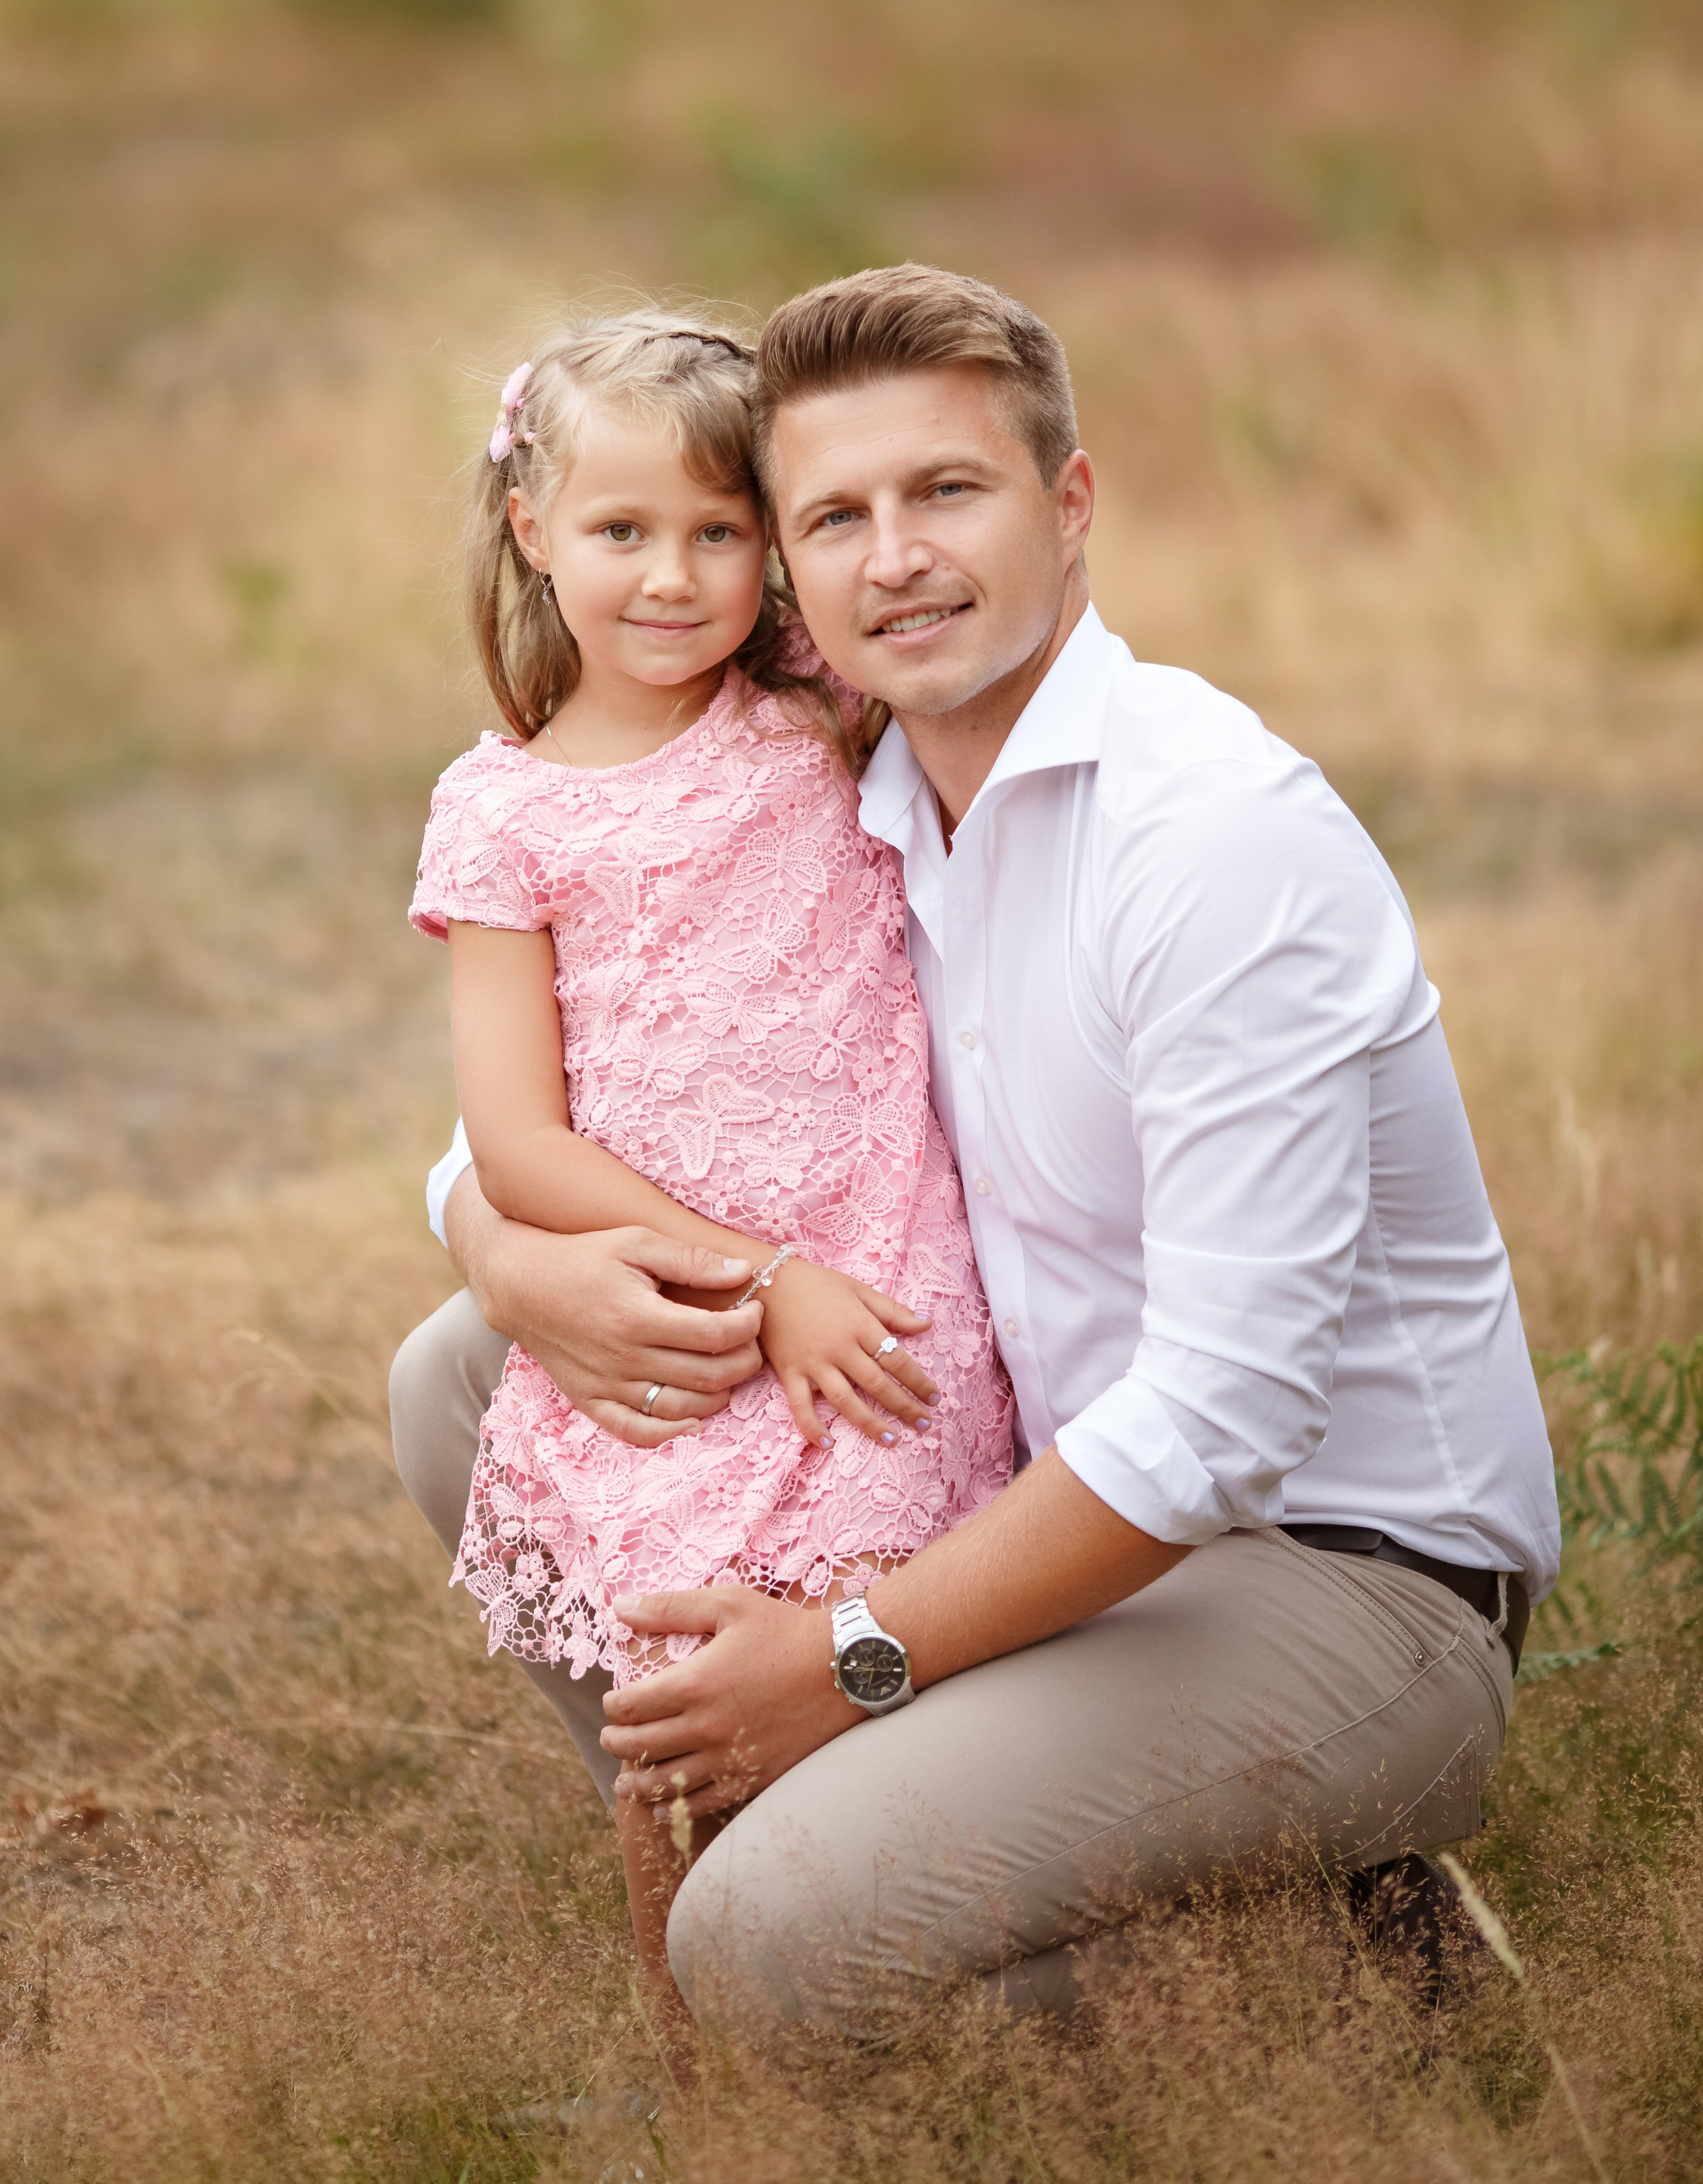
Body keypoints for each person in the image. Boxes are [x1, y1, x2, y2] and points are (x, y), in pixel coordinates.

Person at [392, 264, 1560, 2039]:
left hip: (1324, 1564)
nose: (897, 560)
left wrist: (854, 1657)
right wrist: (498, 1241)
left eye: (948, 492)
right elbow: (608, 1106)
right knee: (465, 1372)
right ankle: (859, 1825)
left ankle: (1319, 1947)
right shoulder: (853, 797)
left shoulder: (1209, 845)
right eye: (834, 517)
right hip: (1027, 1467)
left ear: (1069, 506)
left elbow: (1228, 1420)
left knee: (770, 1955)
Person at [402, 311, 1011, 2014]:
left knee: (863, 1653)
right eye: (620, 531)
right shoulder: (504, 812)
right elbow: (517, 1143)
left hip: (883, 1271)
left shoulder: (811, 713)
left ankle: (916, 1974)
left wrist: (821, 1280)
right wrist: (755, 1279)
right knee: (673, 1714)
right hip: (698, 1299)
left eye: (717, 531)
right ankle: (704, 2076)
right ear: (533, 530)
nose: (672, 578)